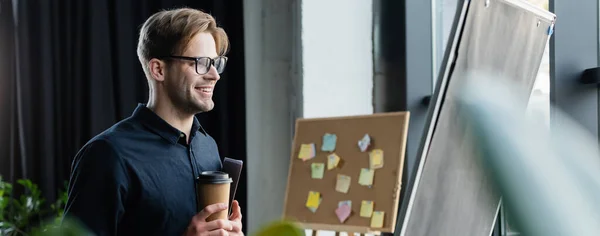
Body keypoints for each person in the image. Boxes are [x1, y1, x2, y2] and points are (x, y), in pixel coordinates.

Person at [62, 7, 243, 236]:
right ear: (158, 69)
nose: (214, 75)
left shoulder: (208, 147)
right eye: (201, 62)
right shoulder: (107, 154)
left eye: (215, 63)